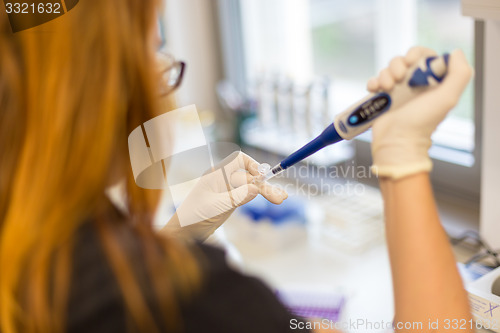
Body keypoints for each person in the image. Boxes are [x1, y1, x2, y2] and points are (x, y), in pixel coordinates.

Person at [0, 0, 473, 332]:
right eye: (155, 49)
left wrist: (180, 234)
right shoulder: (198, 303)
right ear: (99, 88)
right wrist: (403, 159)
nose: (165, 75)